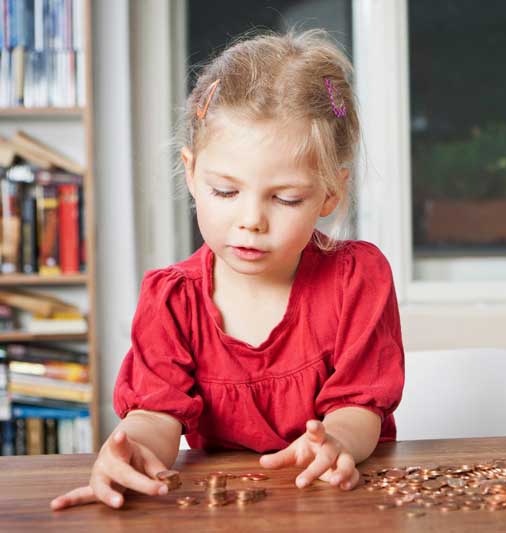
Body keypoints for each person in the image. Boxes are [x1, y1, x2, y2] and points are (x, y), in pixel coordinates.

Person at [51, 29, 405, 510]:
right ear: (192, 172)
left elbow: (359, 405)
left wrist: (337, 441)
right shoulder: (172, 300)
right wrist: (131, 449)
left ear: (330, 193)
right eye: (225, 191)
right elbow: (156, 415)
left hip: (337, 500)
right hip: (223, 511)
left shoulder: (357, 278)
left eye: (285, 198)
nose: (251, 220)